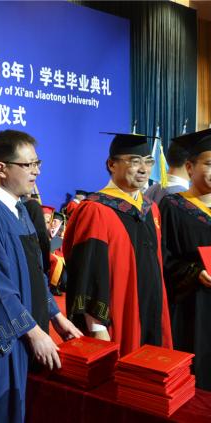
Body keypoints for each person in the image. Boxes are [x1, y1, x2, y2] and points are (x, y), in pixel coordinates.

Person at [0, 131, 82, 423]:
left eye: (37, 163)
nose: (36, 171)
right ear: (2, 169)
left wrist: (57, 317)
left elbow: (35, 272)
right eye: (28, 165)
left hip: (31, 332)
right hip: (6, 342)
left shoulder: (20, 210)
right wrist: (34, 332)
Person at [63, 132, 173, 357]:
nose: (143, 169)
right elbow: (89, 274)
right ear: (112, 164)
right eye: (135, 161)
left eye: (148, 162)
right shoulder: (96, 210)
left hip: (152, 310)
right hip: (118, 316)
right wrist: (97, 328)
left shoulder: (150, 209)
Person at [159, 128, 211, 390]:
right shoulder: (173, 206)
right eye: (209, 164)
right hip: (193, 306)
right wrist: (195, 272)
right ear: (190, 167)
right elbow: (163, 259)